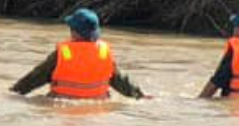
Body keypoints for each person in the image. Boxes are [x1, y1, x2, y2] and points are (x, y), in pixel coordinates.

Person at [10, 8, 148, 100]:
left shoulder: (63, 53)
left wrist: (13, 93)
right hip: (97, 105)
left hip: (62, 103)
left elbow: (34, 78)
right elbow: (122, 82)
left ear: (75, 32)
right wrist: (141, 96)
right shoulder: (103, 53)